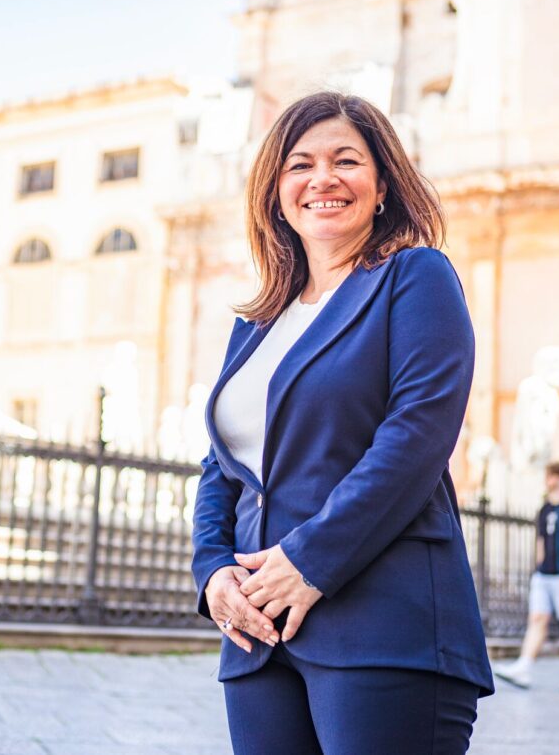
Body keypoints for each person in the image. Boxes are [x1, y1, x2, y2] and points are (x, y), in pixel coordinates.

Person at [191, 91, 492, 755]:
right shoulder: (257, 324)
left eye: (345, 160)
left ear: (382, 183)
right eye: (299, 165)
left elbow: (415, 437)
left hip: (384, 626)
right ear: (275, 192)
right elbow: (224, 467)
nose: (322, 178)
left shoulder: (416, 278)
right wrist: (212, 571)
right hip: (258, 639)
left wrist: (310, 559)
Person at [493, 462, 559, 692]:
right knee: (537, 618)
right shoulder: (544, 510)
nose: (550, 480)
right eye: (549, 475)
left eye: (555, 476)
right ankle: (524, 667)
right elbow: (540, 542)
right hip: (544, 576)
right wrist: (538, 569)